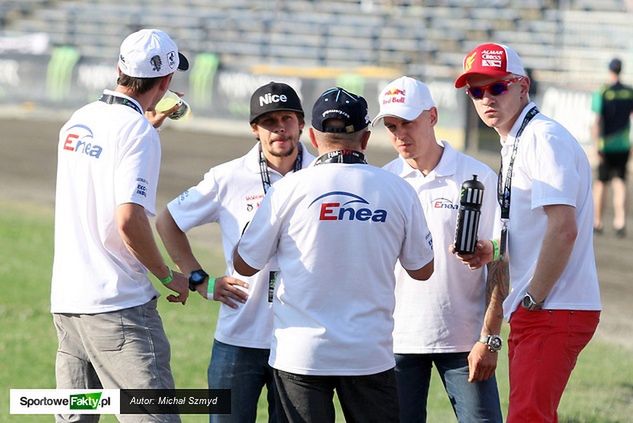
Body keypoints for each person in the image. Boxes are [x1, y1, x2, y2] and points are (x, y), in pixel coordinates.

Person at [232, 87, 435, 423]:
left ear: (312, 136)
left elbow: (246, 263)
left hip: (301, 353)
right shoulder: (398, 189)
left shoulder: (288, 189)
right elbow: (422, 269)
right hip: (369, 352)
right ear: (366, 138)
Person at [453, 42, 602, 422]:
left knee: (528, 417)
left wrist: (532, 299)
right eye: (476, 90)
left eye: (497, 87)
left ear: (523, 86)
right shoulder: (519, 139)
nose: (486, 97)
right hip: (544, 306)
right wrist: (495, 249)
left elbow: (563, 229)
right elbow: (533, 227)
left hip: (552, 305)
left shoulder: (541, 138)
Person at [51, 29, 190, 422]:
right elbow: (128, 219)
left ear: (119, 70)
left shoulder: (79, 120)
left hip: (68, 302)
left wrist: (145, 125)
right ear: (166, 82)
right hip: (118, 307)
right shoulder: (136, 132)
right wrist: (166, 275)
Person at [156, 81, 314, 423]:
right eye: (269, 122)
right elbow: (168, 220)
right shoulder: (227, 177)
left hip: (302, 339)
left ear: (301, 123)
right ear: (254, 129)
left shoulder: (324, 175)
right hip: (239, 336)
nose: (279, 129)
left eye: (287, 118)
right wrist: (199, 279)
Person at [374, 76, 507, 422]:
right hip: (395, 341)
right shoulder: (382, 183)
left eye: (408, 122)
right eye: (391, 125)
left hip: (465, 342)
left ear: (432, 116)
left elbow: (501, 259)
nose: (400, 134)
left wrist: (490, 338)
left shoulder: (477, 177)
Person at [591, 57, 633, 237]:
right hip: (623, 144)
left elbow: (597, 120)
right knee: (620, 182)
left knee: (601, 183)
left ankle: (598, 221)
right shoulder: (629, 92)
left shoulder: (603, 91)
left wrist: (596, 144)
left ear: (609, 70)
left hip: (605, 145)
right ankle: (620, 221)